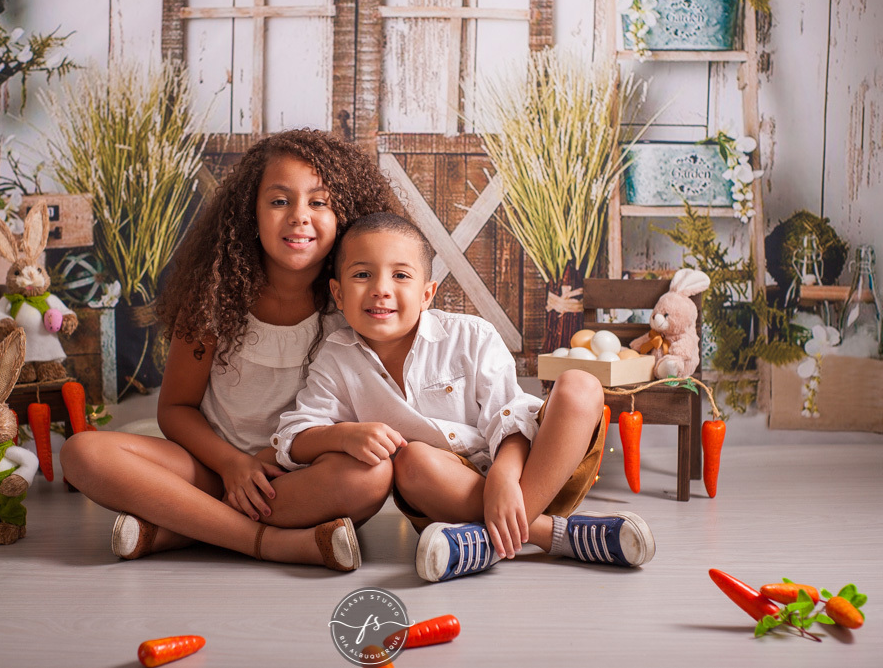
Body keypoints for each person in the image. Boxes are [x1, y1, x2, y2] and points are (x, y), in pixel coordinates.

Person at [60, 129, 406, 571]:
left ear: (346, 213)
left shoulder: (357, 303)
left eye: (319, 202)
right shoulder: (215, 299)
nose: (300, 217)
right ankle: (269, 543)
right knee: (82, 453)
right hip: (212, 466)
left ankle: (182, 526)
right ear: (251, 213)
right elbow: (176, 409)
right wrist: (233, 465)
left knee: (373, 476)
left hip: (305, 473)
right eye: (279, 201)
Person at [273, 212, 656, 582]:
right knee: (411, 459)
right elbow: (296, 433)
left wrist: (505, 476)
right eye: (362, 275)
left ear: (427, 294)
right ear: (338, 293)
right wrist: (342, 435)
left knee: (581, 385)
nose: (381, 289)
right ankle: (553, 535)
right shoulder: (336, 356)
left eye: (400, 275)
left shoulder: (470, 336)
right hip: (447, 493)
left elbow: (511, 414)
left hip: (534, 473)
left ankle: (485, 543)